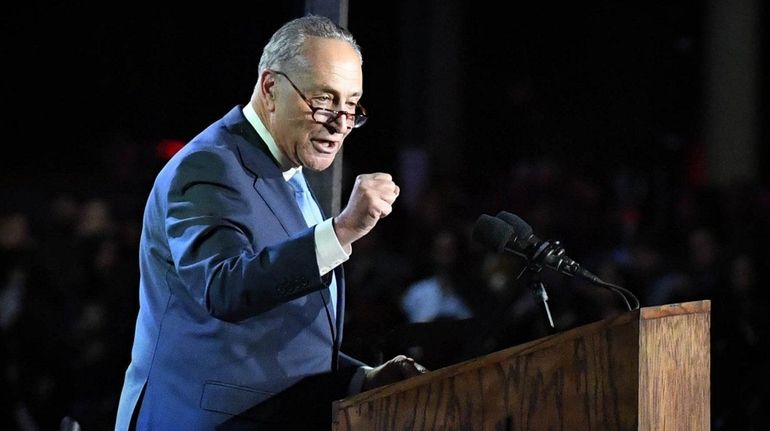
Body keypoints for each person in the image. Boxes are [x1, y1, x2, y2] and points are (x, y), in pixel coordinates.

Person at [116, 15, 426, 430]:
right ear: (270, 88)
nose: (340, 124)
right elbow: (224, 287)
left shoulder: (289, 172)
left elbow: (282, 321)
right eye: (323, 101)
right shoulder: (207, 166)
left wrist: (358, 377)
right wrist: (343, 230)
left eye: (351, 106)